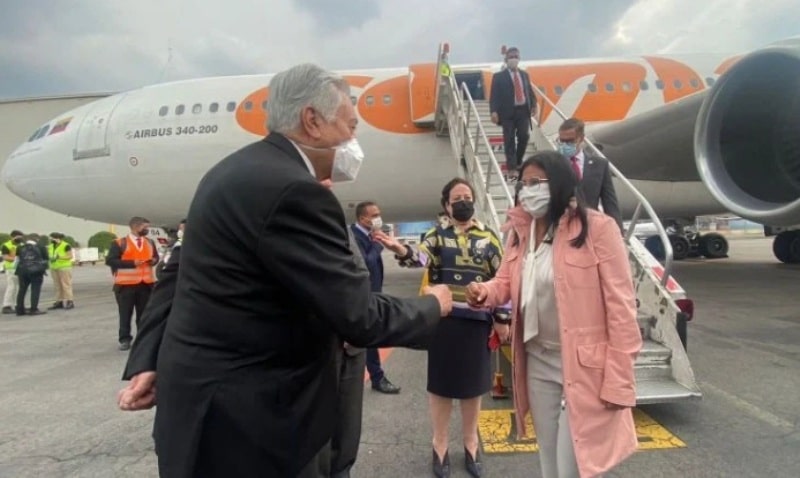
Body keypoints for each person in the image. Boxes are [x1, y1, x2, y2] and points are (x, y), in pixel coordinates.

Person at [149, 63, 452, 478]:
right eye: (349, 126)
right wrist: (432, 306)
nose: (353, 141)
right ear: (312, 121)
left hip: (208, 413)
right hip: (250, 428)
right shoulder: (294, 190)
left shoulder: (234, 171)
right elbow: (358, 316)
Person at [465, 151, 642, 478]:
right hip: (538, 359)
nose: (528, 189)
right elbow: (505, 278)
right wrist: (485, 292)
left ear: (560, 184)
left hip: (583, 365)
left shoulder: (597, 229)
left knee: (572, 467)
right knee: (549, 459)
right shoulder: (520, 232)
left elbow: (621, 307)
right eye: (524, 183)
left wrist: (620, 380)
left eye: (537, 183)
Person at [374, 178, 503, 478]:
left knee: (473, 388)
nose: (463, 202)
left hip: (476, 322)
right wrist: (402, 250)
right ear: (446, 205)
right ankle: (440, 443)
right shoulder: (436, 235)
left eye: (467, 196)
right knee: (442, 387)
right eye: (457, 198)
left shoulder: (489, 238)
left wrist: (503, 318)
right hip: (444, 322)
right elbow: (421, 256)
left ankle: (471, 442)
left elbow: (502, 278)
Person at [351, 201, 401, 395]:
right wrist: (378, 244)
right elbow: (366, 263)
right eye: (374, 215)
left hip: (374, 292)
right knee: (369, 337)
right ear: (362, 218)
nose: (378, 218)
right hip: (362, 295)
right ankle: (377, 378)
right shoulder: (354, 236)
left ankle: (375, 377)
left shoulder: (370, 235)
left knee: (369, 337)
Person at [105, 217, 159, 351]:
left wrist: (153, 261)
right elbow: (111, 261)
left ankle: (143, 339)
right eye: (145, 227)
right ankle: (124, 339)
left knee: (144, 314)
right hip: (126, 285)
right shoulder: (119, 243)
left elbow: (156, 257)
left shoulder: (150, 242)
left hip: (146, 284)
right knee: (125, 314)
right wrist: (131, 263)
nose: (147, 230)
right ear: (135, 227)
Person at [557, 117, 622, 229]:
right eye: (562, 141)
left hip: (590, 227)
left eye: (570, 141)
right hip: (561, 227)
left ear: (581, 138)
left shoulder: (600, 165)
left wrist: (618, 231)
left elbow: (609, 202)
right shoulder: (552, 165)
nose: (565, 145)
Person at [490, 46, 536, 181]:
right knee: (509, 139)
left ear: (519, 58)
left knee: (524, 136)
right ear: (506, 59)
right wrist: (493, 111)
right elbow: (494, 96)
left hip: (523, 111)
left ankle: (518, 161)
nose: (513, 59)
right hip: (507, 113)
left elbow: (529, 92)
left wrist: (533, 105)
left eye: (516, 56)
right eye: (511, 57)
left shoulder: (524, 75)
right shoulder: (498, 77)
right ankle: (511, 168)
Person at [14, 234, 49, 316]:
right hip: (36, 271)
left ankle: (20, 309)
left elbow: (18, 259)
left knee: (22, 290)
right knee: (35, 290)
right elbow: (46, 259)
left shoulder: (20, 247)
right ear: (36, 239)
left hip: (22, 271)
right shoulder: (41, 247)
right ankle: (33, 309)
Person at [47, 232, 75, 310]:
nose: (51, 239)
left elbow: (70, 256)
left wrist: (60, 257)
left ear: (57, 238)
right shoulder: (50, 246)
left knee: (66, 285)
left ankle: (70, 301)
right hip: (54, 267)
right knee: (57, 285)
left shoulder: (66, 245)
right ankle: (59, 301)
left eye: (52, 238)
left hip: (64, 267)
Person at [2, 230, 24, 314]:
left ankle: (16, 304)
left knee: (19, 288)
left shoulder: (21, 245)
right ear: (13, 236)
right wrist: (15, 258)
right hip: (11, 269)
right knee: (11, 287)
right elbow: (5, 257)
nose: (20, 239)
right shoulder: (6, 245)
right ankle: (6, 305)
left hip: (20, 268)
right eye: (18, 237)